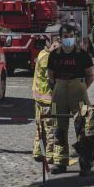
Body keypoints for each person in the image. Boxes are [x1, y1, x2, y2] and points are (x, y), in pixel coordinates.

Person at [47, 24, 94, 174]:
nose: (68, 39)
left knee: (83, 127)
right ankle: (60, 162)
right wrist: (56, 89)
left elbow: (91, 76)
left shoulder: (82, 54)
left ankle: (85, 162)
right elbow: (50, 77)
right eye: (65, 36)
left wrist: (81, 89)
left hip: (78, 89)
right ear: (60, 38)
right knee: (58, 127)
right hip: (59, 90)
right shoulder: (54, 54)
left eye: (71, 36)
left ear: (75, 37)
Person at [32, 37, 60, 165]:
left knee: (40, 126)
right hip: (49, 99)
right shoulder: (49, 58)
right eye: (56, 47)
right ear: (51, 44)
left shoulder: (42, 53)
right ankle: (49, 155)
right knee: (50, 127)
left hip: (39, 98)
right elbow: (52, 78)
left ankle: (38, 152)